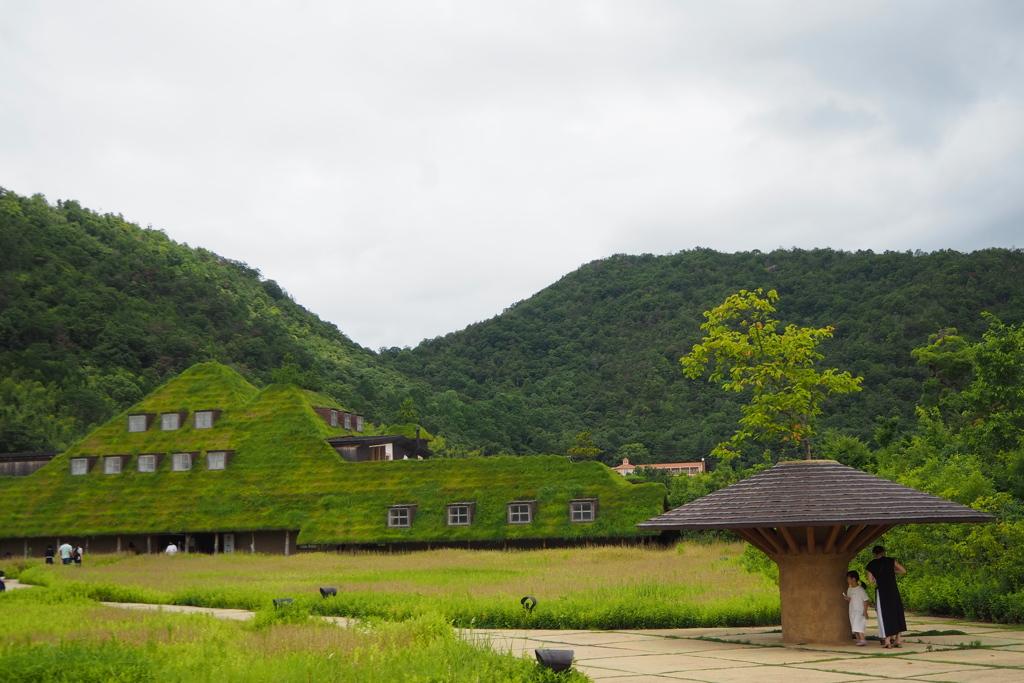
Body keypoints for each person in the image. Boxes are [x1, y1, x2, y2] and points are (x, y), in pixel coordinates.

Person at [866, 545, 907, 648]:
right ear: (884, 552)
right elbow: (903, 570)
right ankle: (898, 639)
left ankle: (887, 641)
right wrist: (892, 571)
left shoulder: (871, 565)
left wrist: (877, 578)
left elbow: (870, 581)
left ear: (874, 553)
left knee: (884, 614)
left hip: (882, 591)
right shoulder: (890, 561)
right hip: (893, 590)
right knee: (896, 612)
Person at [843, 570, 870, 646]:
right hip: (852, 610)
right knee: (854, 625)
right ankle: (859, 639)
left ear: (853, 579)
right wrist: (847, 598)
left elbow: (865, 601)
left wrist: (865, 611)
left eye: (848, 578)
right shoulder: (850, 589)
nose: (847, 580)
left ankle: (862, 639)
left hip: (859, 611)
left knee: (857, 625)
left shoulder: (860, 589)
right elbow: (851, 599)